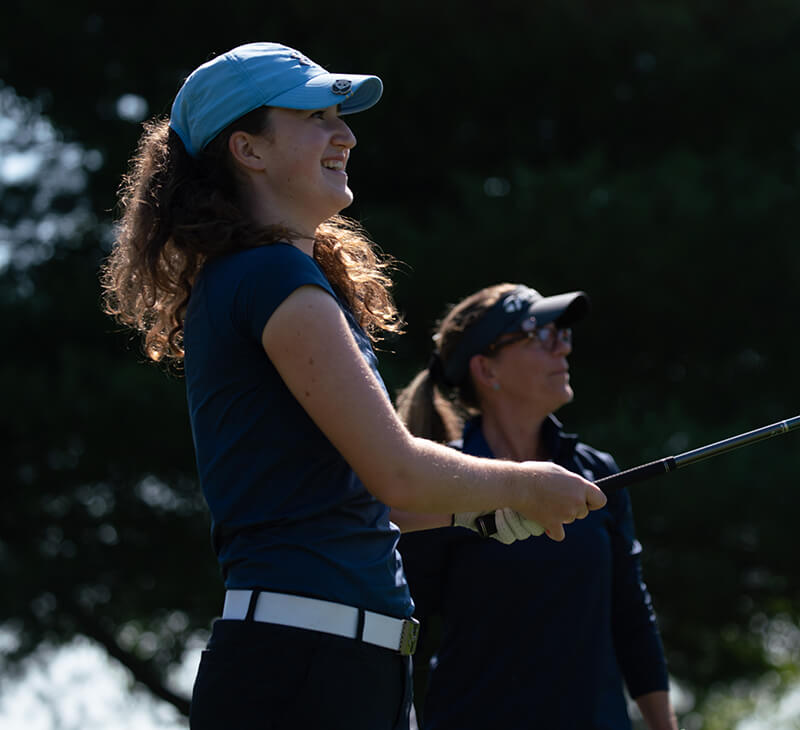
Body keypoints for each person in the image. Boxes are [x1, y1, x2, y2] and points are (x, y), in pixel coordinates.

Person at [98, 43, 607, 730]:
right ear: (248, 149)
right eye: (315, 115)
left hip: (328, 663)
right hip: (309, 665)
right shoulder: (274, 278)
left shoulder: (257, 279)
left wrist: (469, 511)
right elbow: (397, 472)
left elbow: (360, 497)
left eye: (339, 115)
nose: (345, 134)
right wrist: (524, 482)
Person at [395, 283, 679, 730]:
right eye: (541, 334)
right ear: (487, 369)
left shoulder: (597, 471)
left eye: (563, 335)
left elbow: (632, 618)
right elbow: (407, 628)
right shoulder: (440, 484)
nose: (563, 348)